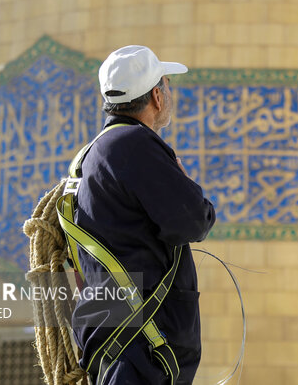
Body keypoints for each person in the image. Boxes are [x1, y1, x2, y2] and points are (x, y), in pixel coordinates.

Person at [70, 45, 216, 385]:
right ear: (157, 97)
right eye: (167, 84)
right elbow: (193, 220)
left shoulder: (96, 153)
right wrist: (183, 181)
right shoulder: (135, 145)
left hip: (121, 339)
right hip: (142, 348)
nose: (169, 92)